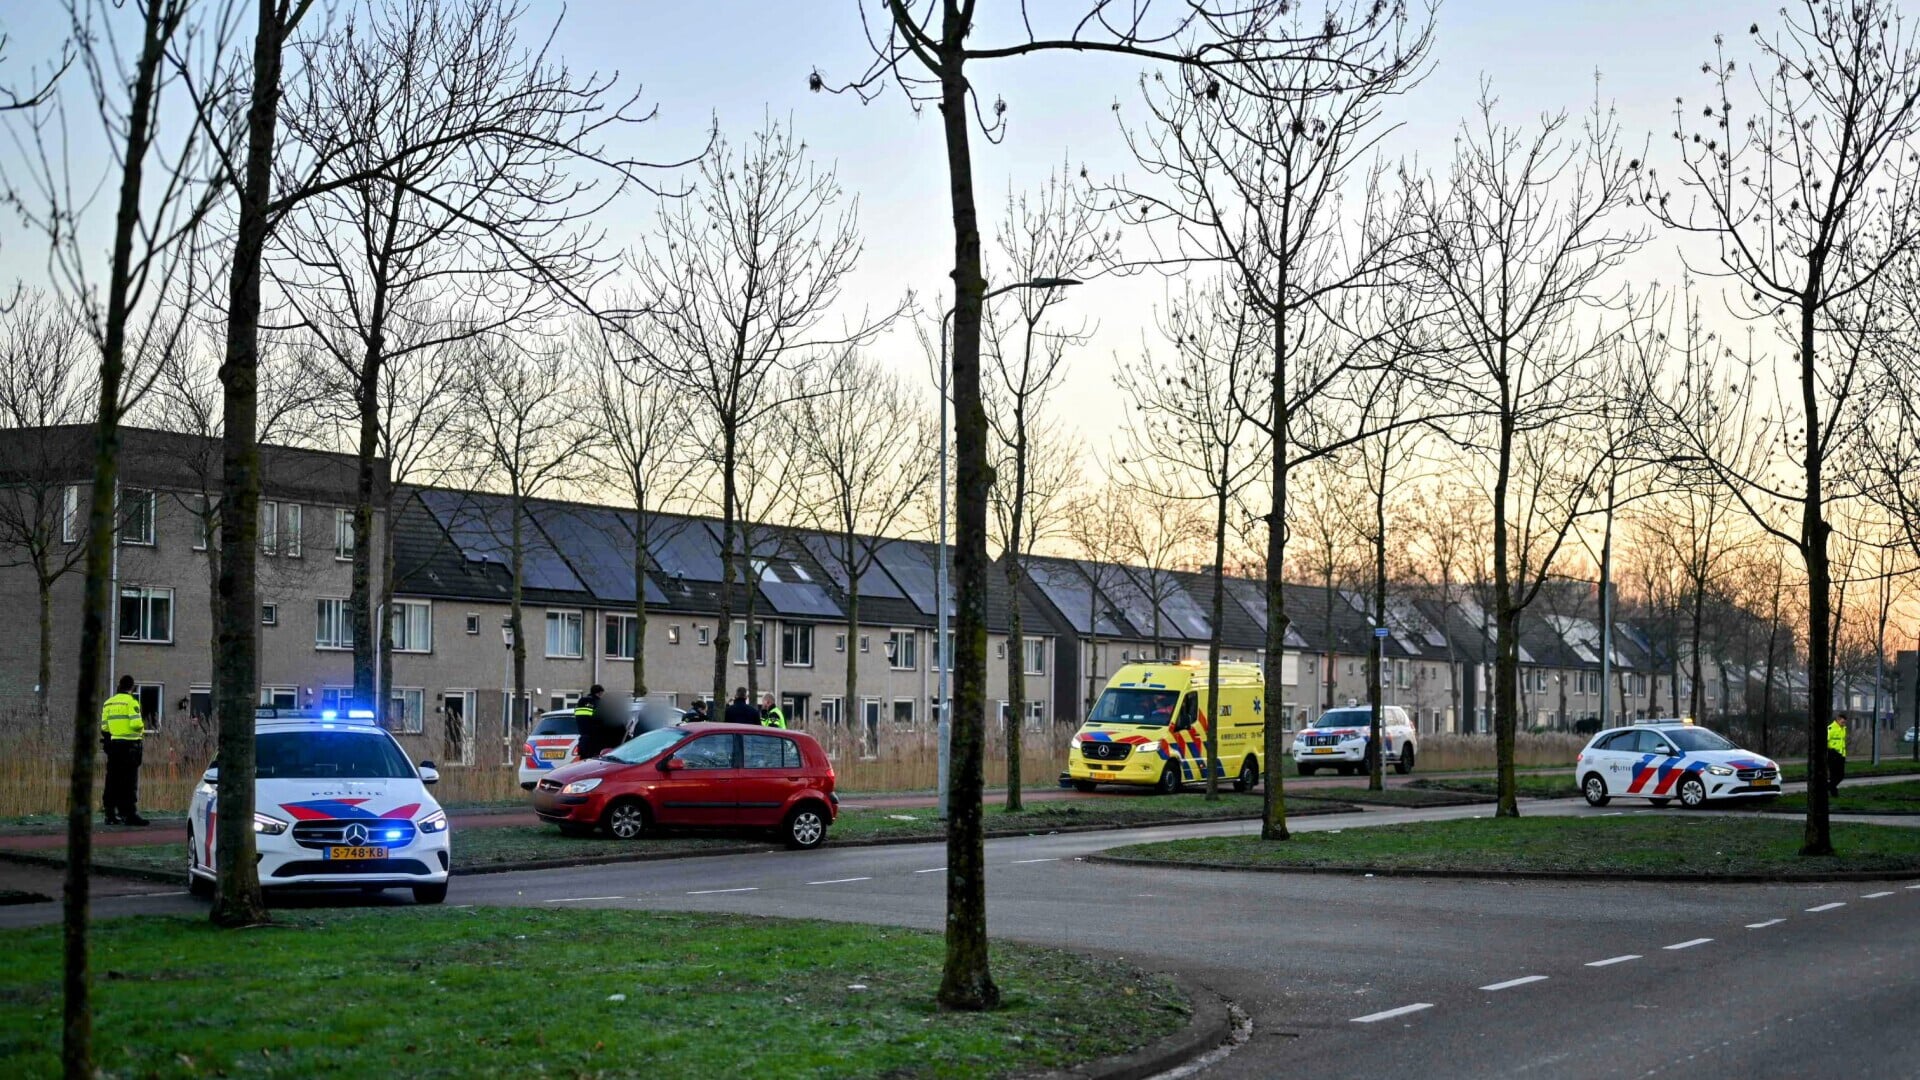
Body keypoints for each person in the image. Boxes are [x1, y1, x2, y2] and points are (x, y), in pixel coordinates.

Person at [99, 675, 148, 826]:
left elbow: (104, 727)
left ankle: (110, 814)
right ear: (132, 687)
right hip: (130, 747)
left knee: (112, 780)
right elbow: (136, 724)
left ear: (119, 685)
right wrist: (141, 726)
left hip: (114, 747)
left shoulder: (108, 703)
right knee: (129, 781)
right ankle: (129, 814)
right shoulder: (131, 702)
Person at [573, 685, 618, 760]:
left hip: (583, 740)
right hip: (594, 741)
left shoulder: (581, 702)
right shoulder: (598, 703)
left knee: (583, 764)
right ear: (599, 693)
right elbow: (604, 720)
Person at [1827, 712, 1848, 796]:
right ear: (1838, 720)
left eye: (1845, 722)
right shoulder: (1830, 729)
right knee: (1835, 775)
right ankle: (1833, 792)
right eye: (1842, 722)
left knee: (1840, 775)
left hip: (1841, 755)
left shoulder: (1843, 729)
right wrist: (1830, 752)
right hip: (1833, 755)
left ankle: (1830, 789)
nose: (1844, 724)